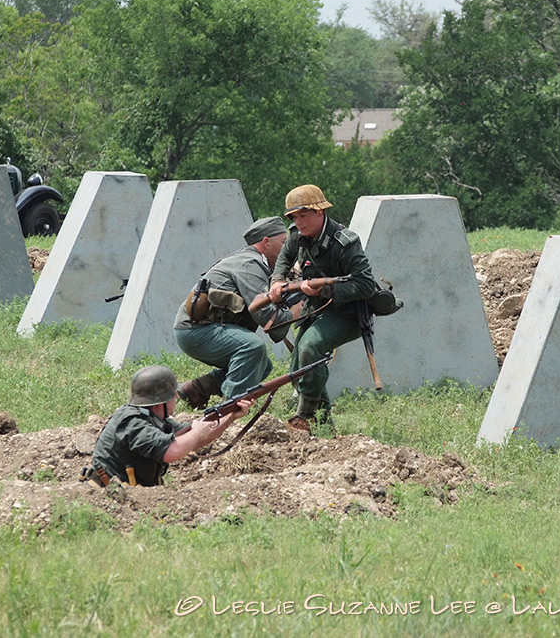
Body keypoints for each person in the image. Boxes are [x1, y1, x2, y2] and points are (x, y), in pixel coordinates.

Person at [267, 184, 378, 431]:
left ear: (320, 212)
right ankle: (325, 425)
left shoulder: (345, 242)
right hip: (314, 310)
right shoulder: (296, 236)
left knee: (309, 348)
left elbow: (366, 285)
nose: (298, 222)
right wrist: (277, 282)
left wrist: (325, 290)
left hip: (347, 313)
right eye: (294, 217)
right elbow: (283, 260)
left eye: (303, 215)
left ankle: (304, 418)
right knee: (299, 368)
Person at [173, 217, 300, 409]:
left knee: (262, 365)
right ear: (266, 242)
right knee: (252, 348)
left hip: (199, 328)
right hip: (196, 331)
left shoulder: (251, 261)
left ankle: (197, 389)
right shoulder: (251, 265)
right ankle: (229, 411)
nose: (287, 250)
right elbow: (271, 324)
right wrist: (298, 310)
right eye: (283, 243)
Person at [89, 365, 253, 487]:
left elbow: (195, 438)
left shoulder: (155, 419)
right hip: (105, 497)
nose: (176, 397)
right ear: (161, 401)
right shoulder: (133, 422)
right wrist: (196, 433)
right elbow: (172, 452)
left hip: (125, 495)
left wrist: (231, 416)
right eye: (172, 395)